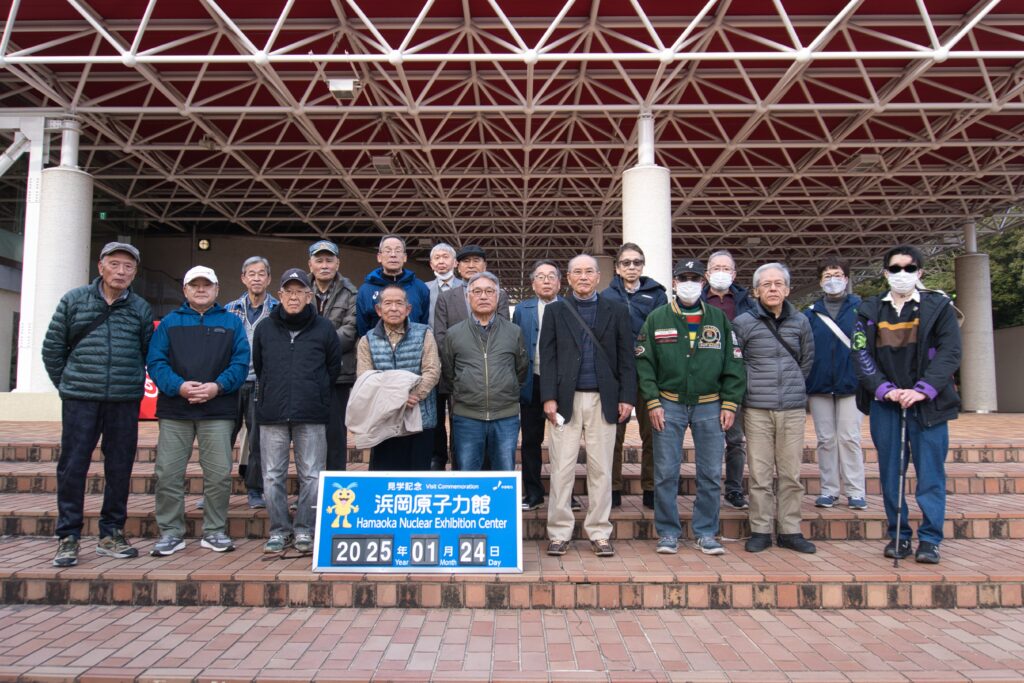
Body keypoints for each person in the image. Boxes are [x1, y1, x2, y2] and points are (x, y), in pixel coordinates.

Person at [42, 242, 154, 567]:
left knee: (119, 467)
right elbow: (52, 349)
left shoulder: (140, 308)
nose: (121, 272)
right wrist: (67, 385)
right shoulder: (74, 301)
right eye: (115, 264)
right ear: (101, 266)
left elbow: (148, 352)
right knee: (73, 466)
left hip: (123, 399)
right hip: (81, 399)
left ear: (135, 272)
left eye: (128, 267)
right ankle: (68, 536)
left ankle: (111, 532)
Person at [852, 245, 962, 564]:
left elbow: (950, 352)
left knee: (930, 474)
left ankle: (930, 539)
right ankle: (898, 535)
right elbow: (860, 354)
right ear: (885, 273)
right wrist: (885, 389)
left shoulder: (938, 306)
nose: (902, 274)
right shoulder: (870, 309)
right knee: (890, 473)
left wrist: (923, 390)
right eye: (895, 268)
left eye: (909, 268)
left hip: (928, 405)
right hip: (886, 404)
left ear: (920, 272)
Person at [636, 258, 745, 555]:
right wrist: (652, 402)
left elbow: (734, 362)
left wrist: (731, 402)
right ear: (673, 283)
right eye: (683, 277)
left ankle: (706, 531)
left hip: (710, 405)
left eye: (694, 278)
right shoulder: (657, 318)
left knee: (710, 472)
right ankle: (668, 532)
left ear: (703, 283)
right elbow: (644, 364)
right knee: (665, 472)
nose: (689, 283)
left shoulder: (719, 320)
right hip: (668, 404)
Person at [147, 266, 249, 556]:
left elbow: (240, 363)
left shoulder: (231, 323)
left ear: (217, 290)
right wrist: (178, 386)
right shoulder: (170, 322)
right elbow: (156, 362)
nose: (201, 289)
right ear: (185, 290)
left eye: (207, 285)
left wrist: (218, 386)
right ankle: (170, 532)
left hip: (217, 409)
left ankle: (215, 531)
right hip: (175, 409)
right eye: (195, 285)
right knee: (168, 473)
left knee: (217, 474)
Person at [540, 254, 635, 558]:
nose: (583, 277)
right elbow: (548, 356)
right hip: (565, 401)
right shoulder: (556, 311)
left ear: (598, 277)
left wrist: (627, 397)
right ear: (567, 278)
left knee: (601, 469)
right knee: (562, 468)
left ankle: (599, 531)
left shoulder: (617, 310)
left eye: (589, 272)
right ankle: (558, 532)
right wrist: (548, 397)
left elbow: (626, 358)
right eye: (576, 272)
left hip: (603, 399)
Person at [253, 268, 341, 554]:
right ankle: (279, 530)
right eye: (288, 291)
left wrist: (314, 392)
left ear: (309, 295)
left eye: (300, 291)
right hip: (272, 413)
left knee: (313, 476)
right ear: (279, 295)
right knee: (272, 475)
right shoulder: (265, 328)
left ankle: (304, 528)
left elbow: (332, 368)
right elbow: (260, 366)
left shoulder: (324, 328)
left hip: (311, 412)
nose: (294, 297)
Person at [732, 262, 815, 554]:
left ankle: (791, 529)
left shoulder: (801, 322)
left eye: (778, 283)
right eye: (766, 284)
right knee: (760, 474)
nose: (772, 289)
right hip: (756, 408)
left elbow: (806, 360)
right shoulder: (743, 323)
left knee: (791, 474)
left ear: (788, 289)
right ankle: (761, 529)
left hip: (792, 409)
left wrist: (793, 387)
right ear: (755, 291)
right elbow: (736, 363)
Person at [431, 244, 511, 470]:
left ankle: (487, 481)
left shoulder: (499, 295)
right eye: (466, 261)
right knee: (460, 431)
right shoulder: (446, 298)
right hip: (458, 378)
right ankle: (462, 481)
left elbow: (503, 332)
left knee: (490, 429)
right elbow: (441, 338)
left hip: (491, 379)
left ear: (485, 265)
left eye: (477, 260)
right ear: (457, 265)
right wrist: (459, 372)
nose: (471, 265)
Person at [601, 242, 667, 508]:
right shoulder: (606, 296)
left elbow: (663, 333)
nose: (631, 267)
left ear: (643, 266)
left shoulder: (657, 295)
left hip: (648, 372)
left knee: (653, 433)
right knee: (613, 434)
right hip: (617, 375)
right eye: (626, 263)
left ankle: (651, 488)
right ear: (617, 268)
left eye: (636, 262)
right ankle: (613, 488)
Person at [442, 272, 528, 471]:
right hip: (467, 416)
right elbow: (449, 371)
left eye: (489, 291)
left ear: (497, 297)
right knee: (468, 474)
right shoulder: (454, 333)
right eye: (477, 291)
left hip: (506, 416)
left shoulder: (513, 331)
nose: (483, 296)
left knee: (504, 472)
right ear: (467, 296)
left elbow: (521, 369)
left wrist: (508, 387)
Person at [803, 256, 867, 511]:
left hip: (852, 384)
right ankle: (829, 490)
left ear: (847, 278)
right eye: (827, 276)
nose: (833, 280)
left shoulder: (861, 309)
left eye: (837, 275)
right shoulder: (810, 314)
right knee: (826, 439)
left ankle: (855, 490)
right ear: (820, 281)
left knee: (849, 437)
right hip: (819, 385)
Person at [354, 284, 441, 470]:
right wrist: (396, 399)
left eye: (399, 303)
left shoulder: (424, 333)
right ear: (379, 310)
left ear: (408, 309)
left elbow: (432, 370)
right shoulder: (367, 340)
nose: (394, 308)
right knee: (384, 477)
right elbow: (365, 378)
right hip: (384, 419)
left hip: (420, 417)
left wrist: (413, 395)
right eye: (388, 303)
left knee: (418, 477)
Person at [702, 250, 756, 511]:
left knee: (735, 439)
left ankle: (734, 489)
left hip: (736, 378)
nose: (721, 272)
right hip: (704, 379)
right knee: (707, 438)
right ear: (707, 273)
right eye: (716, 267)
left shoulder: (747, 302)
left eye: (726, 268)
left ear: (734, 274)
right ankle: (706, 488)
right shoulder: (696, 300)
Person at [223, 256, 278, 509]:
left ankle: (255, 489)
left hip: (262, 383)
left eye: (261, 274)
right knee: (222, 438)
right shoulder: (229, 309)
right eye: (251, 273)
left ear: (268, 278)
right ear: (243, 278)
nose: (256, 278)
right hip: (232, 383)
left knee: (258, 440)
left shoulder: (278, 310)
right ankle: (216, 491)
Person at [513, 260, 563, 510]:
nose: (546, 281)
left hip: (562, 385)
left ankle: (563, 495)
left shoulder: (569, 307)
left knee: (563, 442)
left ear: (559, 282)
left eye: (551, 276)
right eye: (540, 277)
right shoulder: (522, 309)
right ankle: (533, 493)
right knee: (531, 440)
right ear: (532, 283)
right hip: (531, 382)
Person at [307, 239, 358, 470]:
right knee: (307, 434)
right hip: (305, 373)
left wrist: (316, 345)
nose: (324, 265)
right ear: (310, 264)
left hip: (338, 373)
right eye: (319, 260)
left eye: (329, 260)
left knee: (336, 434)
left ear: (338, 263)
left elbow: (350, 330)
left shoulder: (351, 293)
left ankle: (335, 488)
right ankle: (309, 491)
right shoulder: (299, 290)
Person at [425, 242, 463, 471]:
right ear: (431, 264)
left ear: (455, 262)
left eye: (445, 257)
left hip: (460, 362)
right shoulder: (423, 289)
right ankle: (437, 458)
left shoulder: (467, 288)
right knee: (435, 413)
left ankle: (458, 458)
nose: (441, 261)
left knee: (459, 413)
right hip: (431, 361)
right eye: (436, 258)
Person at [355, 235, 431, 336]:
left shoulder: (420, 287)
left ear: (404, 257)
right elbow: (362, 329)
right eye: (388, 251)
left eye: (398, 251)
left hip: (414, 348)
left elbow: (423, 323)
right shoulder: (365, 290)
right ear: (379, 257)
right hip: (377, 349)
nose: (393, 255)